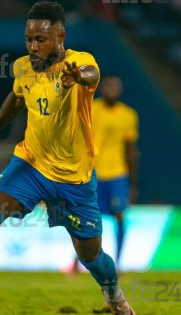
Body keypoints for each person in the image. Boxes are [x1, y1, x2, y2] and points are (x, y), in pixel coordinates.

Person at [0, 1, 136, 315]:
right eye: (29, 39)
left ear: (61, 37)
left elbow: (90, 75)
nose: (33, 46)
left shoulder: (81, 62)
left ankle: (116, 300)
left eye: (40, 39)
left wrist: (76, 77)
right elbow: (16, 98)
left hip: (73, 179)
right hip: (31, 165)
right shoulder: (24, 67)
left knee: (92, 257)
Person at [71, 76, 139, 274]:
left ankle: (118, 264)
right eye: (108, 86)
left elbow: (131, 149)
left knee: (119, 216)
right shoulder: (90, 109)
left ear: (120, 90)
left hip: (118, 173)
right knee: (87, 218)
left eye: (115, 87)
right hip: (92, 172)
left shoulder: (128, 115)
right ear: (101, 89)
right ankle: (76, 262)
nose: (112, 90)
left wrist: (133, 183)